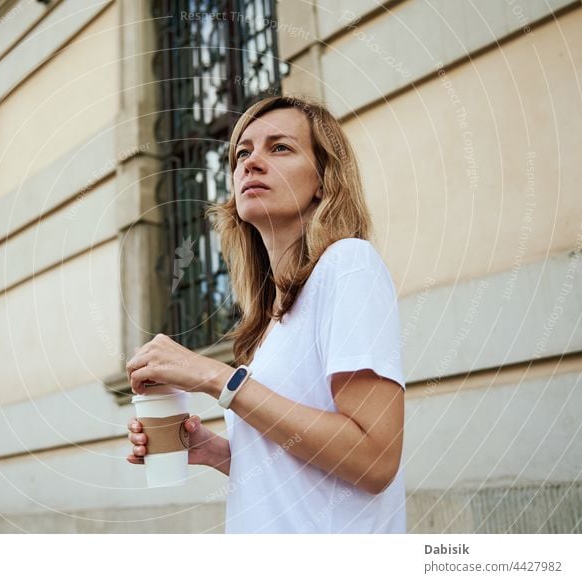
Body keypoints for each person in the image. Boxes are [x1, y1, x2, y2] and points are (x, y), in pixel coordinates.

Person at [126, 94, 406, 534]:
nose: (251, 163)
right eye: (242, 152)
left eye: (279, 148)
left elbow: (374, 459)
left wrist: (217, 378)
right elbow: (300, 467)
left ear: (323, 180)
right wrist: (213, 450)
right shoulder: (270, 320)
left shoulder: (348, 264)